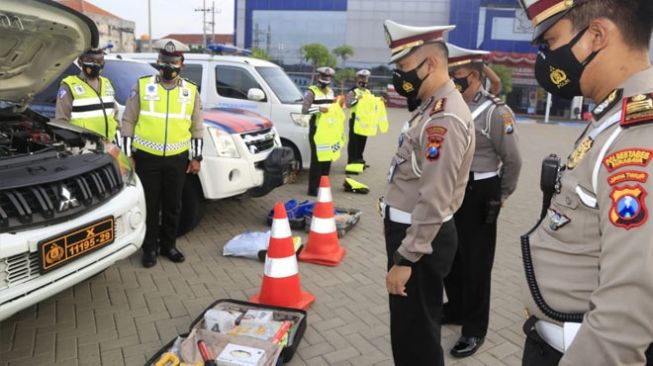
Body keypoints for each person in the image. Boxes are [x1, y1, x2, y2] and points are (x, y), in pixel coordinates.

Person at [517, 0, 653, 365]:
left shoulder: (638, 132)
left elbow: (629, 304)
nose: (547, 58)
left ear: (596, 35)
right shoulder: (611, 117)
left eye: (551, 43)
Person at [381, 19, 475, 366]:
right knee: (412, 330)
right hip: (415, 234)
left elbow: (435, 198)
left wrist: (406, 258)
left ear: (430, 64)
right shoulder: (431, 105)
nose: (399, 76)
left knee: (415, 340)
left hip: (418, 240)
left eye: (404, 67)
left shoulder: (443, 118)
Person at [442, 43, 523, 357]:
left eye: (457, 74)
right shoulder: (446, 106)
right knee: (449, 257)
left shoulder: (495, 113)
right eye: (449, 74)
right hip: (451, 192)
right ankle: (457, 309)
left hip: (480, 194)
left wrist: (501, 196)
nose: (451, 79)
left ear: (474, 77)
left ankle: (474, 329)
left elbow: (513, 161)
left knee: (476, 264)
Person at [121, 39, 204, 268]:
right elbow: (128, 120)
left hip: (178, 158)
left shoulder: (191, 90)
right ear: (158, 63)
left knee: (173, 204)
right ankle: (150, 248)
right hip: (148, 157)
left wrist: (196, 157)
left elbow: (197, 125)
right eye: (165, 62)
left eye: (174, 62)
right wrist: (128, 154)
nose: (169, 66)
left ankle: (168, 245)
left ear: (182, 64)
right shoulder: (142, 85)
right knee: (150, 204)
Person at [55, 48, 121, 145]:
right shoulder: (69, 85)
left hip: (110, 145)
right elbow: (62, 120)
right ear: (80, 61)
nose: (95, 64)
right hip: (85, 148)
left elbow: (115, 115)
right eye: (90, 61)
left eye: (99, 61)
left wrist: (118, 135)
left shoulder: (107, 83)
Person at [302, 66, 336, 196]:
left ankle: (323, 186)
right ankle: (313, 189)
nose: (325, 81)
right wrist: (319, 109)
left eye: (328, 79)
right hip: (316, 129)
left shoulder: (331, 92)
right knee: (316, 159)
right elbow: (304, 109)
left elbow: (332, 108)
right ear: (318, 78)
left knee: (327, 158)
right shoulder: (311, 91)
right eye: (323, 78)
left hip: (328, 129)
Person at [346, 69, 373, 171]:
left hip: (364, 121)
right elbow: (348, 104)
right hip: (354, 120)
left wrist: (379, 101)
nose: (364, 80)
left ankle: (360, 160)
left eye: (366, 78)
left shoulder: (368, 91)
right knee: (354, 141)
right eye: (362, 77)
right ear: (358, 78)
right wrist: (357, 100)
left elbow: (371, 104)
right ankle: (351, 161)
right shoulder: (353, 91)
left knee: (362, 141)